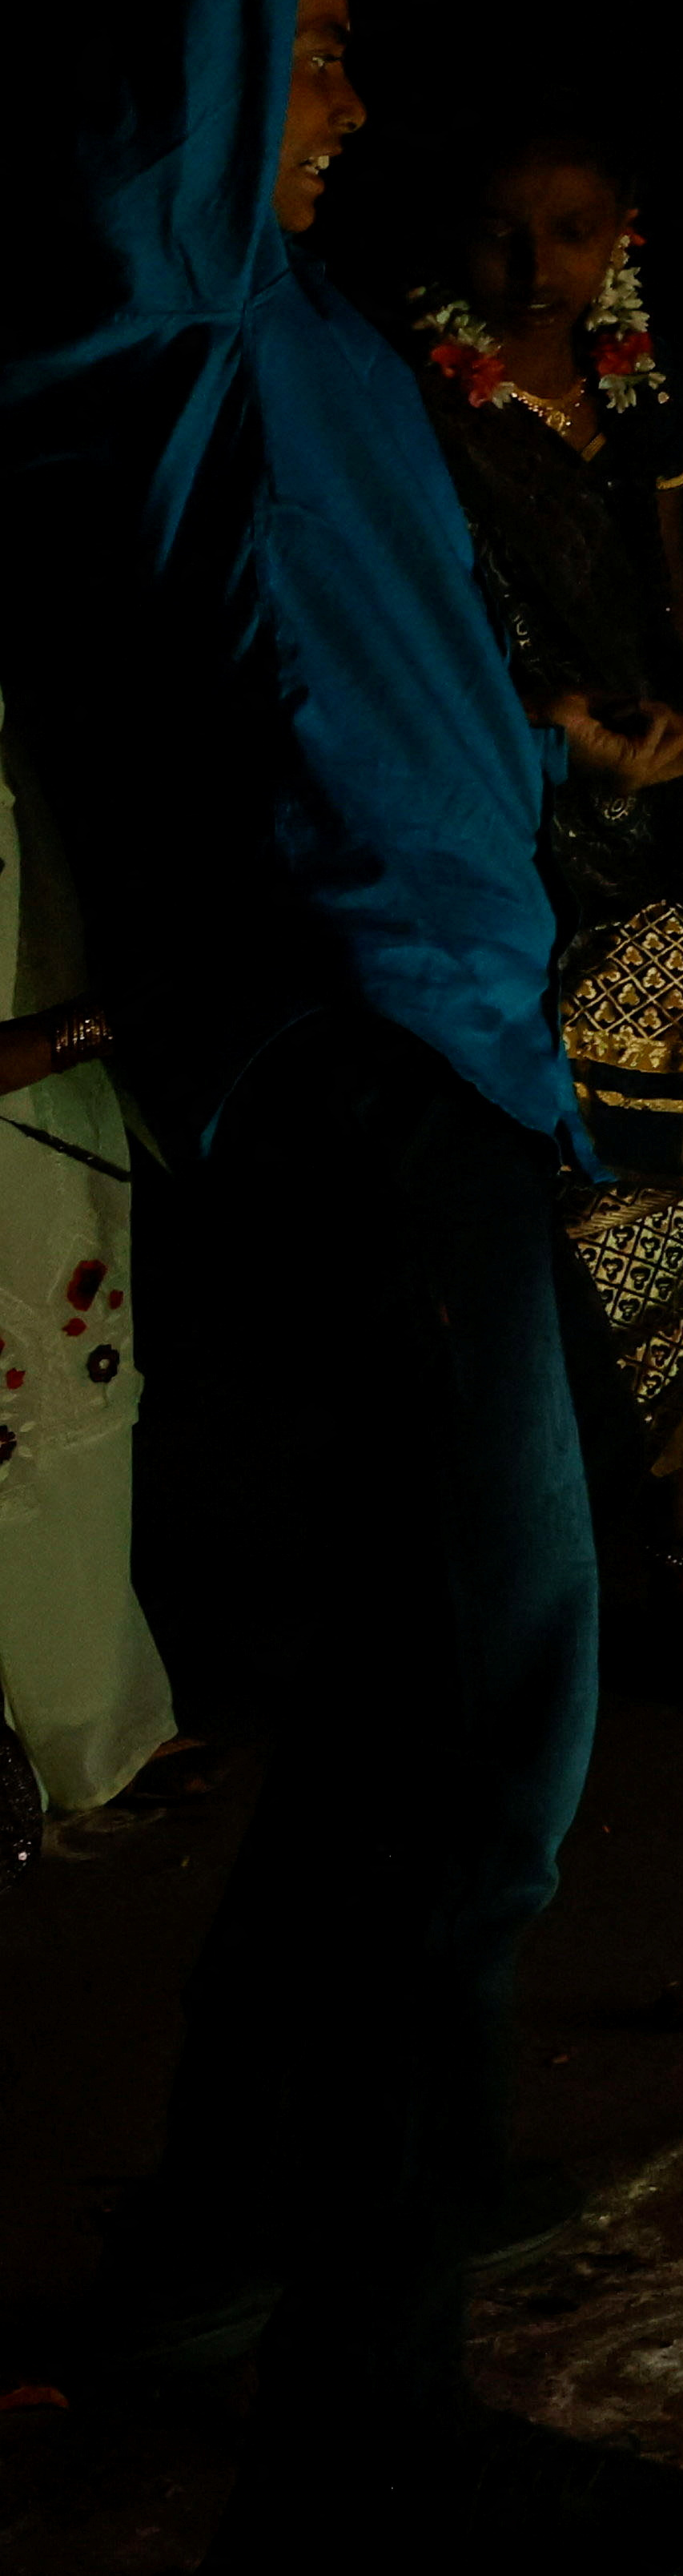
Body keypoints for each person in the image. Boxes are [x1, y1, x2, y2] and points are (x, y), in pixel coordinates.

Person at [0, 0, 683, 2576]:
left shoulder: (310, 339)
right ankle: (365, 2413)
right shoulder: (133, 320)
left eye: (325, 39)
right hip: (342, 1076)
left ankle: (219, 2261)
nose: (325, 66)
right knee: (478, 1724)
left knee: (444, 1719)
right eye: (277, 37)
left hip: (463, 1061)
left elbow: (429, 699)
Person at [413, 119, 683, 1702]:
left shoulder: (627, 389)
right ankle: (545, 1578)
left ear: (622, 233)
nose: (536, 268)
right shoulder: (422, 411)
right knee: (559, 1218)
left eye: (572, 230)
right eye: (504, 232)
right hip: (516, 840)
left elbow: (670, 590)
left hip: (658, 822)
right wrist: (555, 740)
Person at [2, 686, 175, 1843]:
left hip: (47, 1130)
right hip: (36, 1092)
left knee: (69, 1437)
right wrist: (96, 1025)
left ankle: (89, 1741)